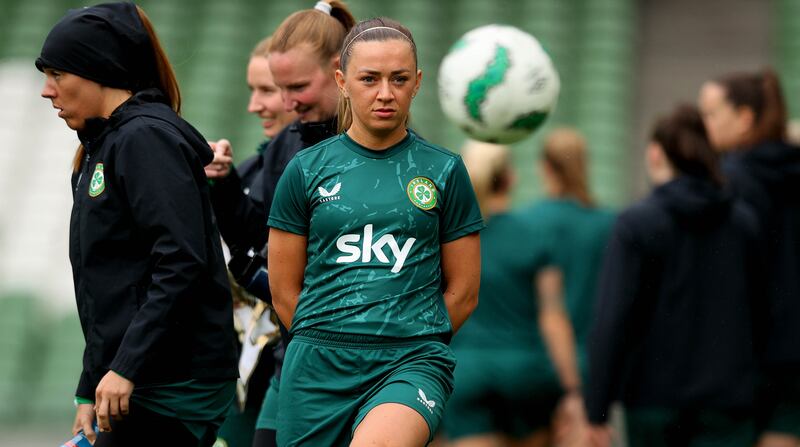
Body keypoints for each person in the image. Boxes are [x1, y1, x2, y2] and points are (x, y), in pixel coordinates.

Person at [267, 17, 484, 447]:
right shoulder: (305, 170)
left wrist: (410, 335)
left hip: (410, 360)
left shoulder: (445, 170)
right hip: (317, 365)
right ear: (342, 81)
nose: (386, 93)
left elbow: (464, 292)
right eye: (370, 79)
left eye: (399, 79)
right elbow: (284, 292)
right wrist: (331, 335)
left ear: (417, 82)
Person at [36, 3, 238, 446]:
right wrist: (90, 383)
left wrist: (125, 366)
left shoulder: (144, 138)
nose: (47, 91)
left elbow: (181, 261)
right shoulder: (101, 145)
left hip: (171, 384)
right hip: (138, 381)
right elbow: (105, 283)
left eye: (57, 74)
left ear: (97, 69)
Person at [203, 2, 357, 446]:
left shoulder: (385, 148)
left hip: (367, 363)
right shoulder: (284, 148)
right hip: (295, 356)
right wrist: (226, 186)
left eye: (295, 87)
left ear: (338, 71)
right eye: (277, 88)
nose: (283, 102)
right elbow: (260, 240)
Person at [585, 105, 764, 447]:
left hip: (653, 402)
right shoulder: (743, 223)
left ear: (655, 153)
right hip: (728, 404)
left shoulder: (636, 223)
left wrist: (598, 409)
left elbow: (613, 317)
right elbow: (760, 313)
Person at [441, 140, 582, 447]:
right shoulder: (534, 234)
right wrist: (572, 389)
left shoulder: (453, 237)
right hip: (526, 373)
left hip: (467, 371)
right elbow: (552, 315)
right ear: (509, 179)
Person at [698, 69, 800, 447]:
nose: (702, 125)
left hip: (743, 356)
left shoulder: (728, 183)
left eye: (710, 114)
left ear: (744, 118)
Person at [206, 35, 297, 447]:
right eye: (252, 90)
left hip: (298, 365)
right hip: (243, 375)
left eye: (267, 90)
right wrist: (222, 184)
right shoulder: (250, 168)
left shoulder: (336, 168)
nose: (254, 105)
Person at [519, 128, 615, 445]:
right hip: (590, 366)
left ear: (544, 167)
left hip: (535, 364)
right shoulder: (609, 225)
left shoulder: (524, 222)